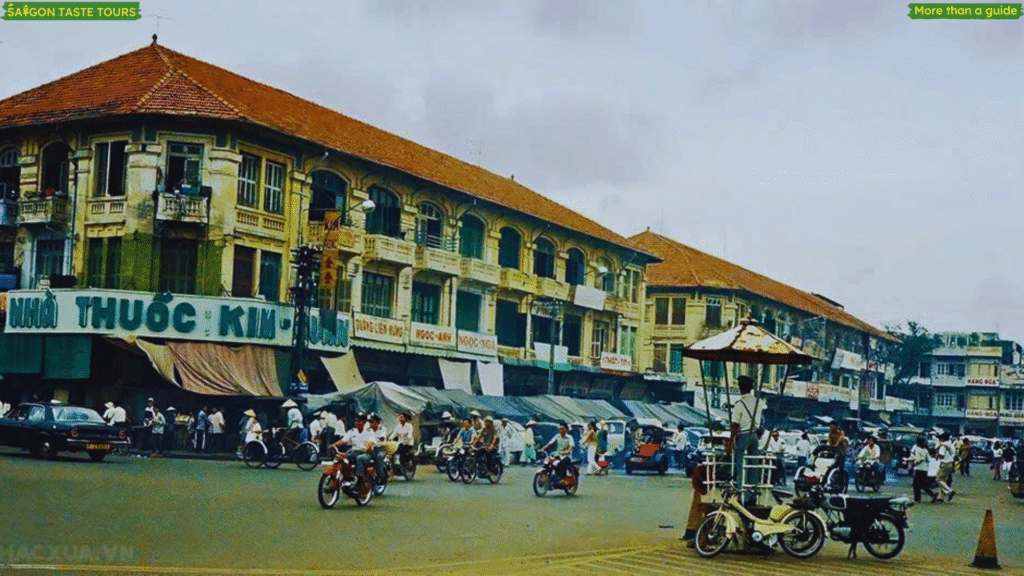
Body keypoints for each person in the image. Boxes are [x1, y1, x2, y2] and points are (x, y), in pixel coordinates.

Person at [728, 375, 763, 489]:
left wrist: (730, 441)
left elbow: (735, 425)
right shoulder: (757, 402)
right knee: (753, 464)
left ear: (740, 388)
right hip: (754, 435)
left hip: (744, 435)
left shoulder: (740, 403)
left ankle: (740, 489)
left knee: (740, 463)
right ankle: (753, 490)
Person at [330, 413, 377, 486]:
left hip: (366, 454)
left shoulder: (369, 431)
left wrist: (367, 448)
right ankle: (346, 478)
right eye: (356, 421)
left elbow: (372, 442)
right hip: (354, 452)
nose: (356, 423)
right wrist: (333, 445)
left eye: (359, 421)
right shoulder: (351, 431)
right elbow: (343, 441)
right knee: (341, 457)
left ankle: (359, 480)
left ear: (364, 422)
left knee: (360, 458)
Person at [909, 436, 938, 503]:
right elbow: (929, 459)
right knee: (923, 484)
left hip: (918, 469)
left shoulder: (917, 449)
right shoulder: (925, 450)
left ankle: (917, 499)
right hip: (925, 469)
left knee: (916, 485)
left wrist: (915, 461)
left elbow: (917, 460)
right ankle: (932, 494)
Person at [368, 414, 388, 481]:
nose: (371, 424)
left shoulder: (383, 429)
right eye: (370, 422)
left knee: (379, 457)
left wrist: (372, 442)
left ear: (378, 422)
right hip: (370, 450)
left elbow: (381, 439)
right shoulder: (368, 430)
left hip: (380, 449)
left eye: (372, 422)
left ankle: (381, 477)